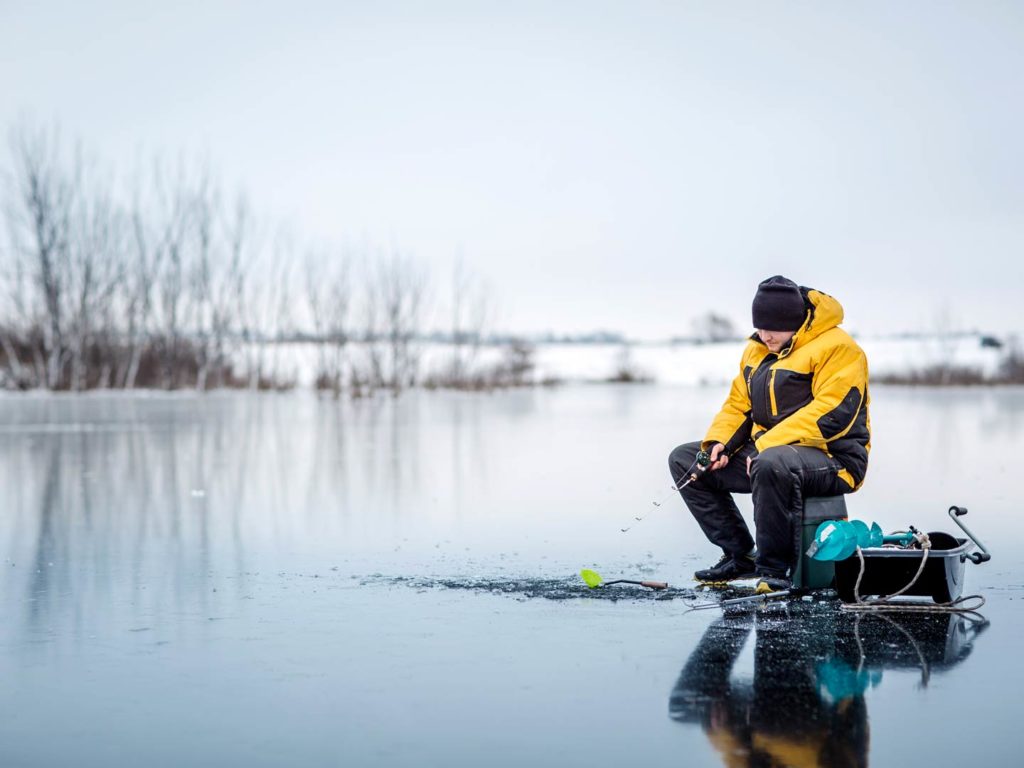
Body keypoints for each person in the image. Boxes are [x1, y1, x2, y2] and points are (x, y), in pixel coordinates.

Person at [668, 275, 870, 591]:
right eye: (760, 327)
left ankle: (774, 570)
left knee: (771, 461)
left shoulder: (838, 348)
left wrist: (767, 444)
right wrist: (719, 443)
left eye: (771, 329)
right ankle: (739, 556)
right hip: (770, 455)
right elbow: (739, 406)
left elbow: (833, 413)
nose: (764, 336)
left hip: (835, 458)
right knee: (686, 460)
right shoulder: (757, 350)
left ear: (795, 322)